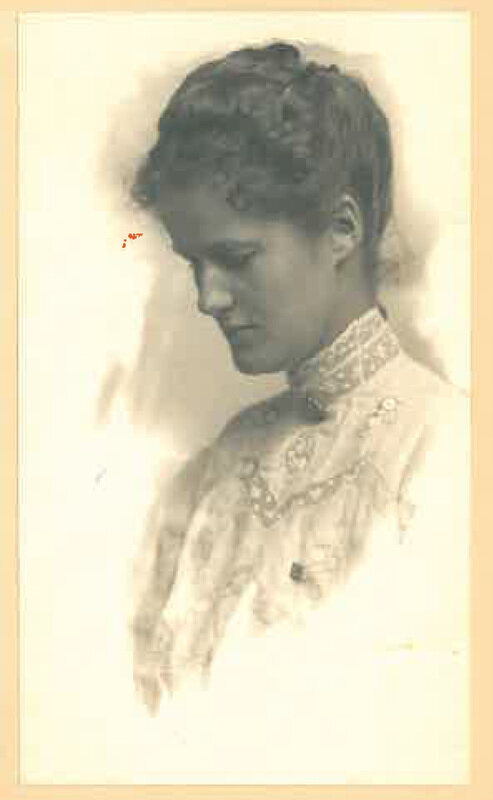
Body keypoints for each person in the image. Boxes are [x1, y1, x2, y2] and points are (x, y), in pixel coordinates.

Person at [129, 41, 469, 729]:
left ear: (342, 229)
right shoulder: (219, 465)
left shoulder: (449, 450)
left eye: (235, 258)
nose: (208, 298)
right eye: (195, 264)